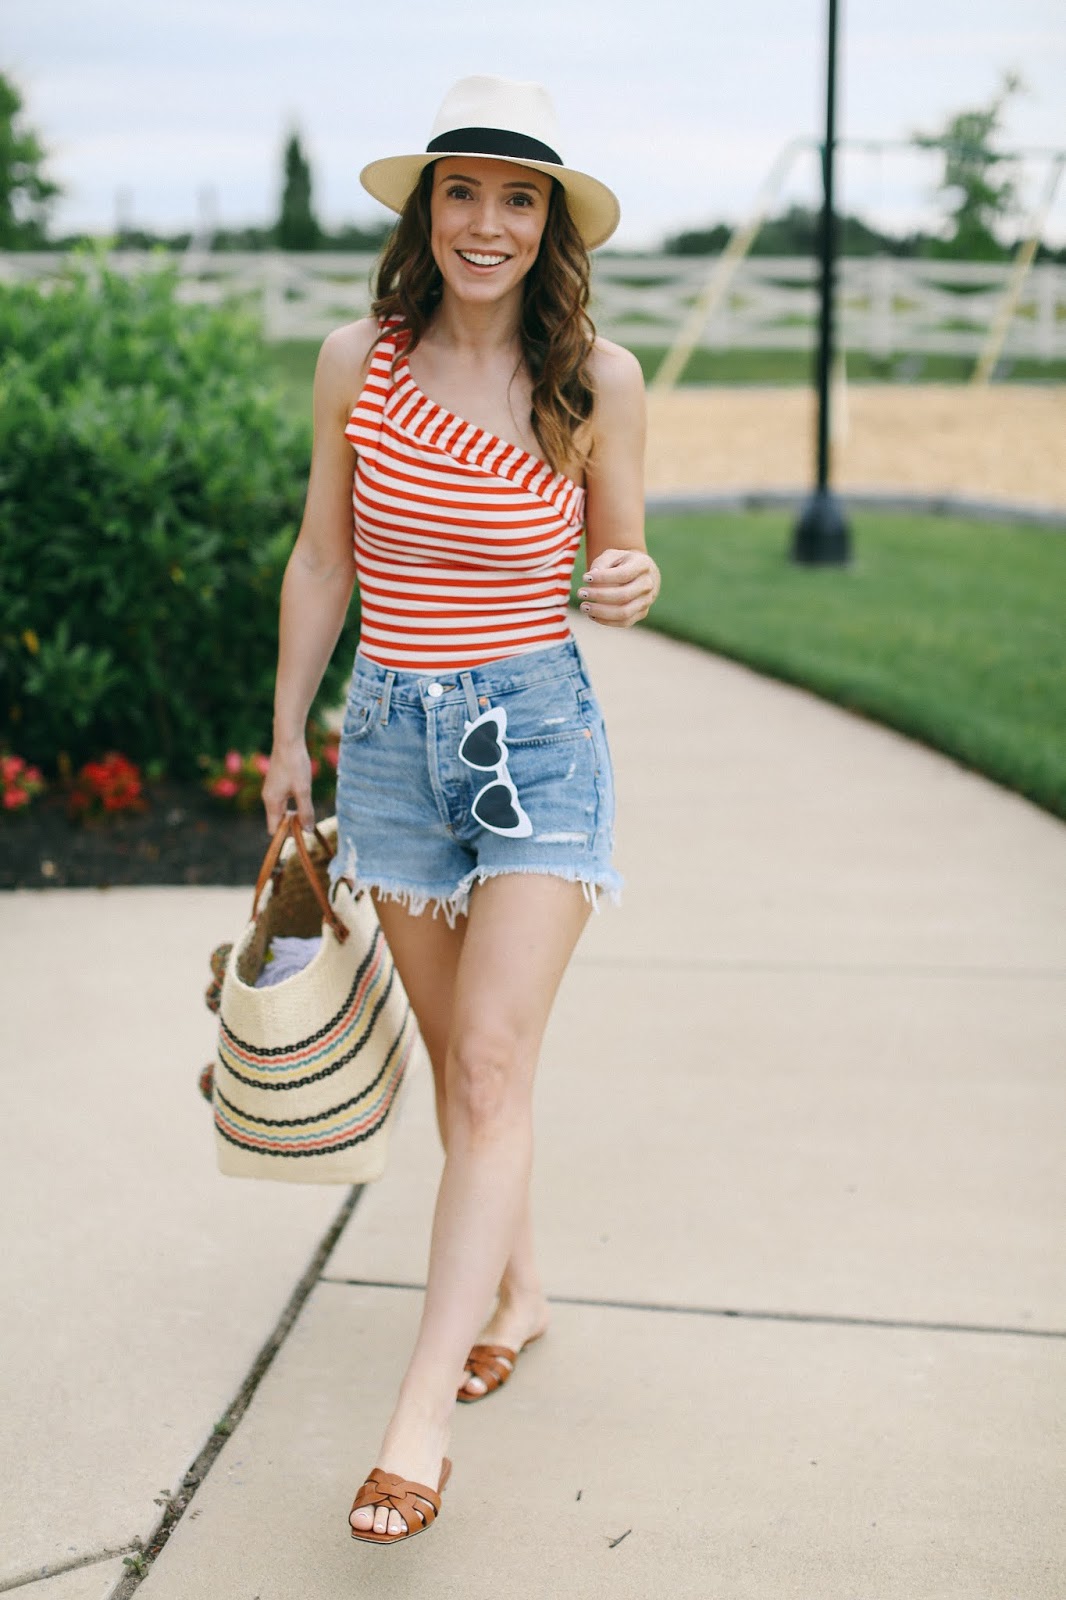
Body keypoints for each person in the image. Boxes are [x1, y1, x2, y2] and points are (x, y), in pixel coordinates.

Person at [262, 74, 659, 1546]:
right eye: (459, 191)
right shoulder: (351, 364)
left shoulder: (594, 382)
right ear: (424, 212)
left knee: (490, 1059)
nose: (484, 223)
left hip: (539, 743)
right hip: (385, 744)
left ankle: (415, 1420)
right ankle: (521, 1291)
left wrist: (628, 583)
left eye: (516, 197)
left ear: (547, 223)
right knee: (460, 1060)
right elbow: (320, 559)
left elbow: (621, 570)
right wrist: (283, 734)